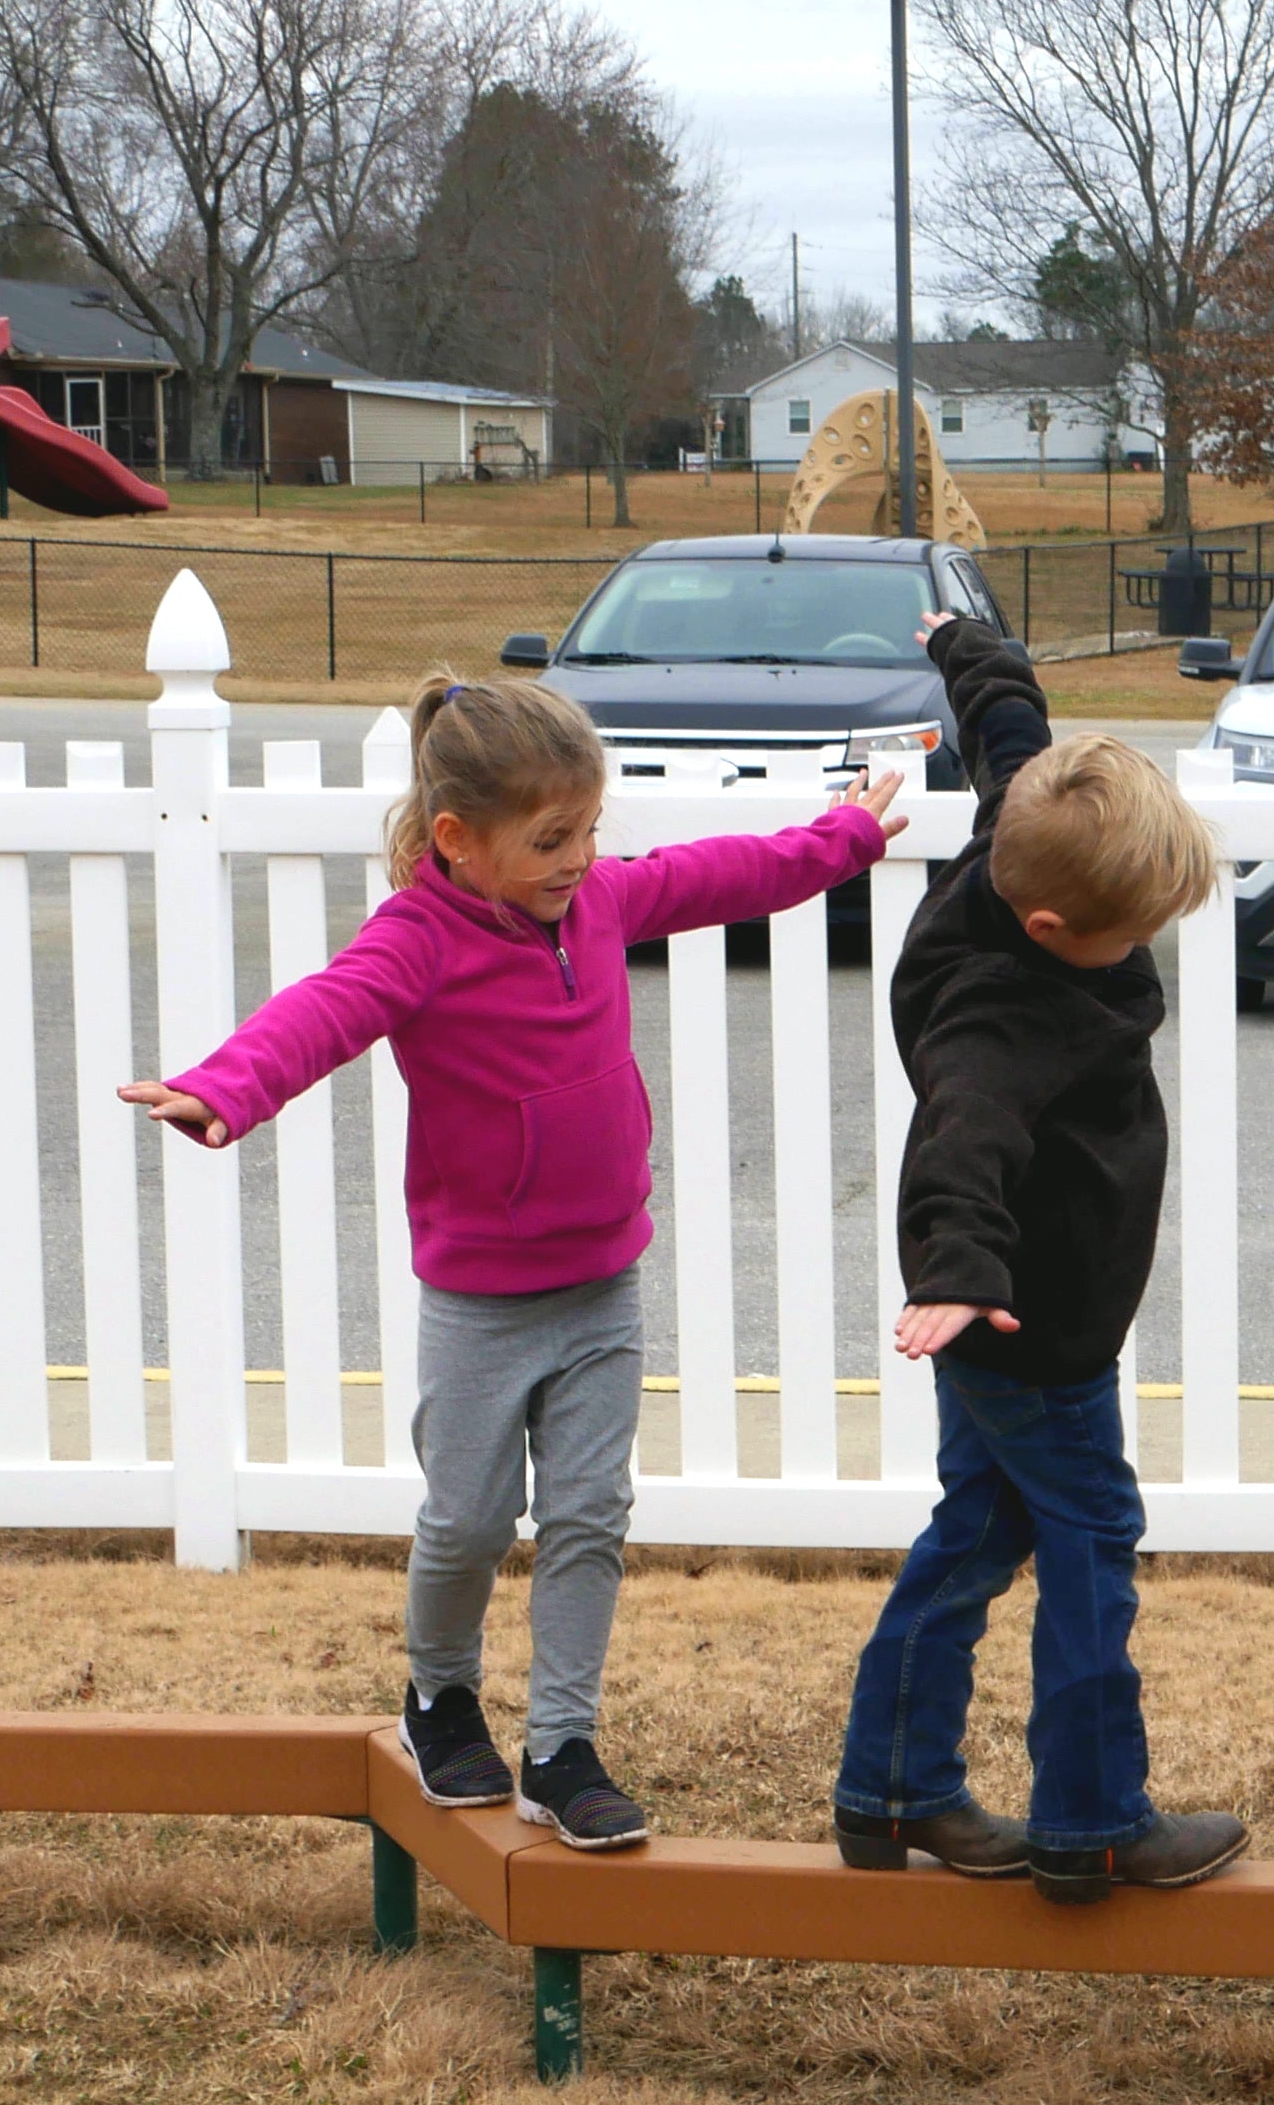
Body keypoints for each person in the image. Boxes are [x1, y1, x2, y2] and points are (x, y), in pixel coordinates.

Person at [120, 671, 903, 1851]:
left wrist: (844, 836)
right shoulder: (418, 942)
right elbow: (322, 1011)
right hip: (481, 1306)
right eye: (551, 838)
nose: (582, 857)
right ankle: (439, 1696)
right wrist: (227, 1088)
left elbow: (724, 874)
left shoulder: (593, 904)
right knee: (471, 1520)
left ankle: (562, 1747)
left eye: (589, 829)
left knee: (589, 1513)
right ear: (456, 841)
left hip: (603, 1285)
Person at [831, 620, 1247, 1905]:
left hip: (1016, 1325)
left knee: (978, 1529)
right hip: (1027, 1328)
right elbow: (963, 1139)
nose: (1141, 955)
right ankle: (1091, 1821)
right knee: (1089, 1536)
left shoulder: (1008, 838)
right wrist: (959, 1270)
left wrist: (974, 648)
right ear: (1054, 920)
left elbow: (1008, 731)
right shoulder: (997, 1018)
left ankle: (892, 1787)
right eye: (1128, 938)